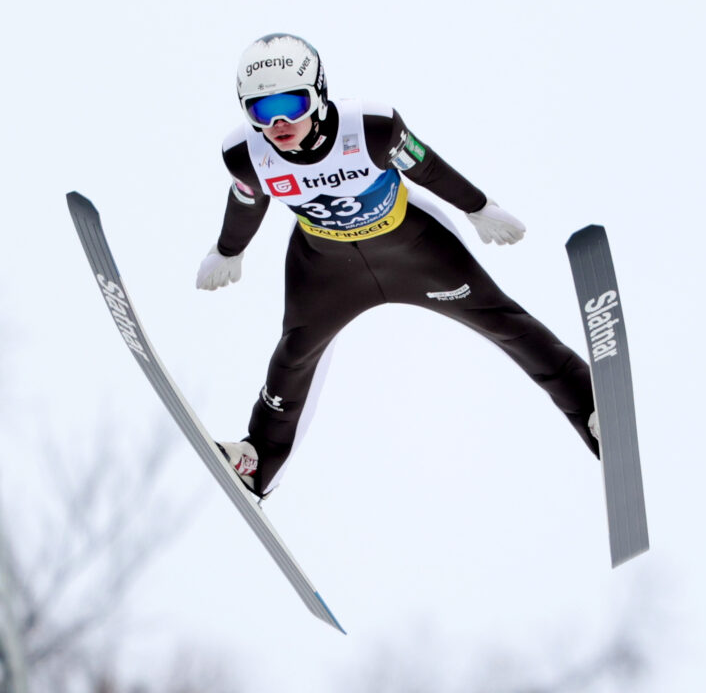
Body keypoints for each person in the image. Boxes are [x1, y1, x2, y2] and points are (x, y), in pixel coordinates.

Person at [197, 33, 599, 496]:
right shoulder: (245, 154)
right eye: (261, 110)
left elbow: (424, 167)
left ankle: (591, 407)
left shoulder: (369, 127)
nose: (281, 121)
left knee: (502, 320)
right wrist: (229, 250)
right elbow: (247, 203)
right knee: (293, 357)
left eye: (292, 102)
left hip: (414, 249)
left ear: (320, 91)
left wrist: (478, 206)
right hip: (325, 269)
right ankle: (258, 461)